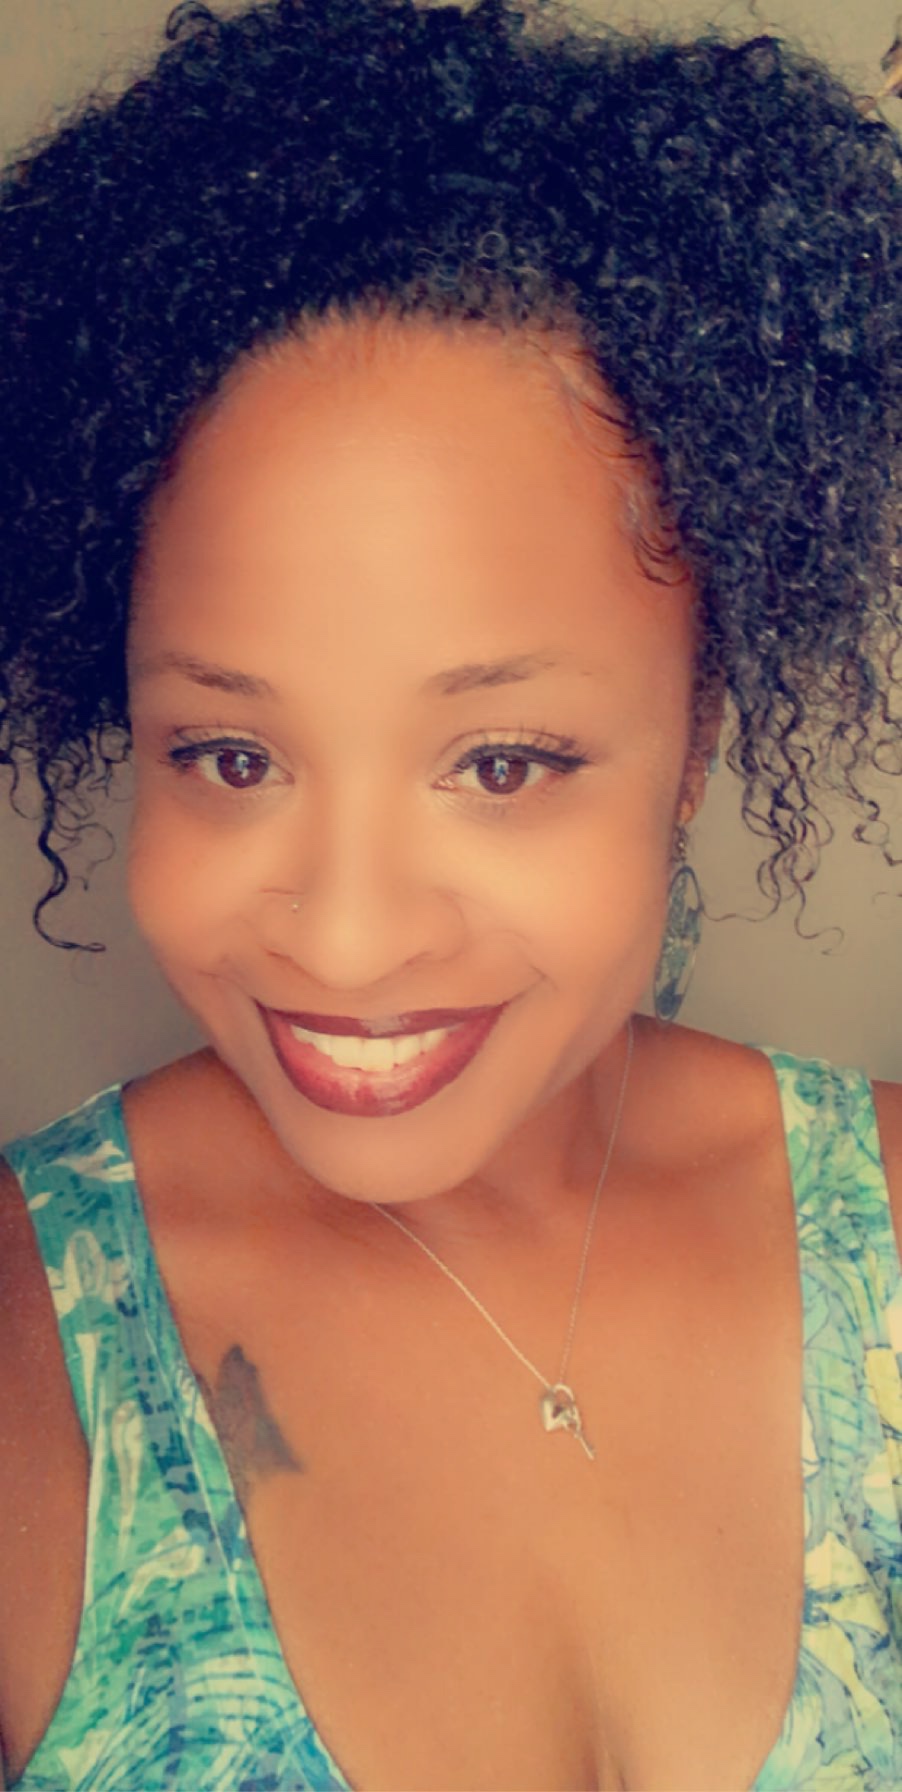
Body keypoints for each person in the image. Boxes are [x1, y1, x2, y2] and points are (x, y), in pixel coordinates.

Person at [0, 0, 900, 1786]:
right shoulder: (26, 1351)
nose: (345, 939)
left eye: (501, 763)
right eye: (229, 756)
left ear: (695, 737)